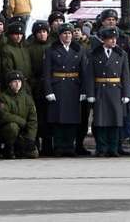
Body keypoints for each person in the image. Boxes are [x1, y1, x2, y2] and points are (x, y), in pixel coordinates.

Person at [83, 26, 130, 157]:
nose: (114, 41)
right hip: (100, 89)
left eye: (115, 38)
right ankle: (102, 147)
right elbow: (90, 75)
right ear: (104, 39)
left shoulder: (121, 54)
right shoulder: (94, 54)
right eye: (110, 38)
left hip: (116, 90)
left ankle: (113, 147)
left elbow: (125, 75)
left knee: (115, 121)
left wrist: (126, 93)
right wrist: (90, 93)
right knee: (100, 121)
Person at [43, 22, 86, 157]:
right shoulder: (51, 49)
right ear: (59, 35)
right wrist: (49, 90)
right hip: (58, 85)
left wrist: (84, 90)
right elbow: (47, 72)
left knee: (72, 119)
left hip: (74, 86)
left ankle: (69, 147)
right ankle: (59, 147)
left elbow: (84, 72)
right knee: (58, 119)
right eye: (65, 33)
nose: (67, 36)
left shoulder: (79, 49)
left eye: (69, 33)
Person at [0, 70, 39, 159]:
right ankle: (9, 148)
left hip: (22, 133)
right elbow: (4, 115)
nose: (17, 84)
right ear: (9, 84)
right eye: (15, 82)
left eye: (19, 81)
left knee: (34, 154)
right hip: (8, 131)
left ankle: (17, 149)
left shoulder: (27, 98)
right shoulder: (3, 98)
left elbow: (33, 120)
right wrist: (22, 122)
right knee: (13, 126)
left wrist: (31, 137)